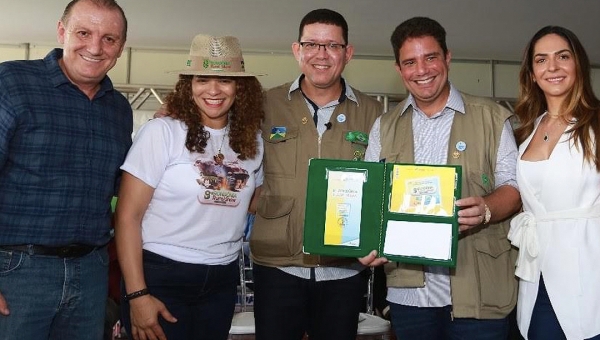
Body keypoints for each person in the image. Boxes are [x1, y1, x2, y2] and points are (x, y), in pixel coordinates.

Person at [362, 17, 522, 339]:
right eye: (410, 62)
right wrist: (367, 241)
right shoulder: (384, 126)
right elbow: (372, 197)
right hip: (409, 296)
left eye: (430, 57)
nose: (422, 70)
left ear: (447, 57)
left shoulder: (491, 118)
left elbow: (514, 187)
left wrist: (487, 208)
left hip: (480, 291)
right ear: (399, 69)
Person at [115, 34, 264, 340]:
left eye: (225, 80)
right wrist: (137, 294)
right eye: (202, 79)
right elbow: (127, 218)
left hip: (222, 281)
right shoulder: (162, 132)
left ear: (240, 87)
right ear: (188, 85)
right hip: (161, 276)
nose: (213, 90)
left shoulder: (254, 141)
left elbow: (254, 203)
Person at [249, 8, 383, 340]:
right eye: (312, 44)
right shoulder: (262, 105)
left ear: (347, 53)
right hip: (278, 265)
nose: (321, 54)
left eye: (332, 46)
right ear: (297, 50)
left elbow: (385, 184)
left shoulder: (373, 113)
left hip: (344, 268)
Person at [0, 0, 131, 339]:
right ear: (62, 32)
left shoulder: (118, 108)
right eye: (84, 33)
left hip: (91, 273)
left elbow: (122, 189)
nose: (95, 47)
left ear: (120, 47)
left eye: (109, 39)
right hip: (17, 271)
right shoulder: (11, 83)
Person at [508, 26, 600, 340]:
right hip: (538, 276)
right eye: (541, 60)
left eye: (563, 56)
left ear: (578, 64)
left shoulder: (597, 124)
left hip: (591, 272)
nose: (553, 67)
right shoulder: (524, 133)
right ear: (532, 74)